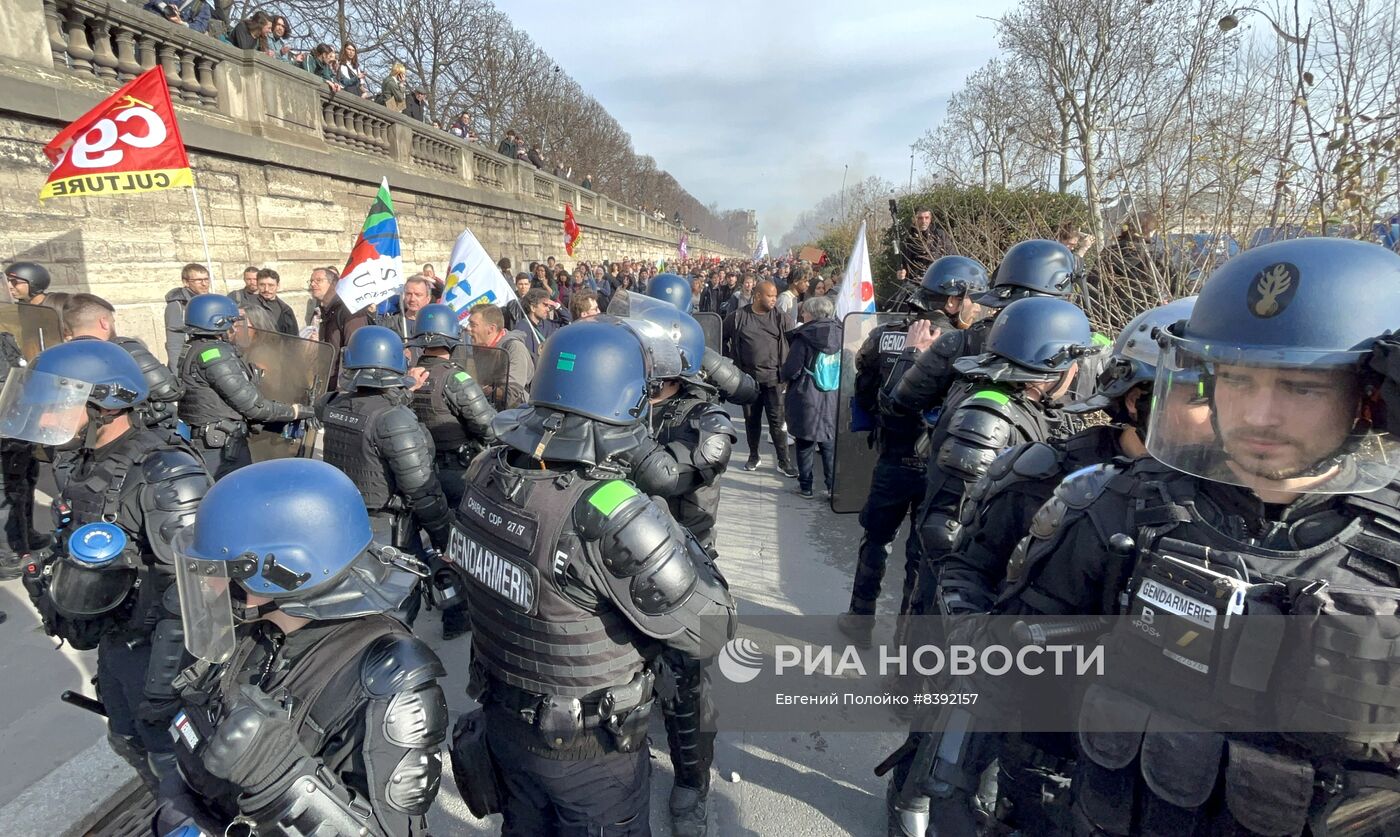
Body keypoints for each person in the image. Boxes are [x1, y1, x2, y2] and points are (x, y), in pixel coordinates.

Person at [909, 238, 1400, 837]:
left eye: (1301, 387)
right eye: (1237, 379)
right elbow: (1007, 675)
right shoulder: (1118, 507)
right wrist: (955, 795)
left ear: (1370, 396)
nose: (1259, 415)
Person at [888, 297, 1203, 835]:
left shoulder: (1222, 513)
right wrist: (975, 641)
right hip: (1027, 725)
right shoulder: (1054, 473)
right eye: (1201, 394)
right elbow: (963, 561)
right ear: (1138, 397)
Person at [447, 320, 737, 836]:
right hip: (589, 752)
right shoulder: (606, 507)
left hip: (505, 723)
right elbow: (711, 628)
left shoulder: (487, 471)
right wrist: (667, 530)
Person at [156, 459, 447, 837]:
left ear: (282, 572)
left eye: (221, 571)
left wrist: (280, 774)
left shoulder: (390, 674)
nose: (210, 585)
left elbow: (390, 832)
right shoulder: (249, 627)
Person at [1, 340, 211, 791]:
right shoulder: (85, 462)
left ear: (106, 406)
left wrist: (163, 686)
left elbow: (195, 590)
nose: (46, 419)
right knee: (126, 739)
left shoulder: (165, 473)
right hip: (117, 642)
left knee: (177, 767)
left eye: (59, 407)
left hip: (162, 654)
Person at [837, 257, 991, 636]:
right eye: (974, 300)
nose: (978, 308)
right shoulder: (967, 346)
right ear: (953, 301)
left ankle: (859, 619)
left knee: (876, 538)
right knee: (920, 556)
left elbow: (865, 391)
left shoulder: (884, 335)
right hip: (939, 467)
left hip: (892, 456)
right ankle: (905, 641)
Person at [883, 239, 1077, 422]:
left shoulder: (956, 341)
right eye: (973, 299)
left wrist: (911, 355)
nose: (977, 308)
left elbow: (896, 406)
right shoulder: (1073, 350)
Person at [318, 326, 452, 566]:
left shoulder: (330, 404)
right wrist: (445, 540)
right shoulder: (394, 419)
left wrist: (405, 391)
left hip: (341, 519)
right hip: (386, 535)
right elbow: (423, 493)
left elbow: (368, 404)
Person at [404, 305, 497, 639]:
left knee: (429, 543)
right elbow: (488, 426)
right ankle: (458, 615)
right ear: (452, 340)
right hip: (456, 473)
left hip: (416, 473)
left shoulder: (408, 377)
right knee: (460, 546)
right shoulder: (456, 378)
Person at [176, 294, 307, 478]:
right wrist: (294, 411)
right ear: (219, 323)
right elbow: (254, 407)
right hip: (222, 448)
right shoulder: (215, 355)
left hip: (208, 440)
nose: (235, 329)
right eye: (233, 323)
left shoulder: (194, 347)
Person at [63, 293, 184, 431]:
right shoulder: (124, 349)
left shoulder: (60, 359)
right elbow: (169, 391)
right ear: (104, 322)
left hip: (80, 433)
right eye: (113, 321)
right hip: (133, 433)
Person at [723, 280, 796, 476]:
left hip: (774, 380)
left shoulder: (781, 318)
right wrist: (729, 361)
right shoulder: (738, 317)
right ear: (757, 296)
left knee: (777, 422)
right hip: (749, 381)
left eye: (775, 296)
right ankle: (753, 456)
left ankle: (784, 462)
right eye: (770, 296)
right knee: (751, 420)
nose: (774, 299)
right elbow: (721, 335)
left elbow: (795, 343)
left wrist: (789, 372)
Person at [782, 296, 841, 498]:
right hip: (832, 394)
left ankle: (806, 486)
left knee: (805, 442)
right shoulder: (841, 333)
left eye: (805, 311)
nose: (803, 315)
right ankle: (832, 487)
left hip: (807, 393)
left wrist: (782, 377)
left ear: (813, 314)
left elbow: (792, 369)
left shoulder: (805, 336)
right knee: (828, 442)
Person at [311, 265, 371, 390]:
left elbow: (355, 348)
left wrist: (344, 387)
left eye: (318, 280)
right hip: (325, 382)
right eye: (311, 281)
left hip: (341, 387)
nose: (312, 284)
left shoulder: (349, 311)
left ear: (334, 284)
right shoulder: (325, 311)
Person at [466, 303, 532, 408]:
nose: (468, 329)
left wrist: (478, 389)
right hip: (484, 407)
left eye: (473, 325)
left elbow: (512, 394)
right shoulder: (477, 346)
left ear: (491, 329)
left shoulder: (514, 348)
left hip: (514, 413)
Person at [163, 262, 210, 369]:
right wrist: (177, 372)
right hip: (189, 363)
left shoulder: (210, 302)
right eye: (199, 280)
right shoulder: (177, 306)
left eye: (206, 279)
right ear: (186, 282)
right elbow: (175, 343)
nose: (204, 284)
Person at [511, 288, 567, 357]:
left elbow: (567, 322)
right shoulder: (521, 329)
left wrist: (556, 305)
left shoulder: (548, 324)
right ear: (533, 308)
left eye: (548, 306)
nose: (548, 309)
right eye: (545, 305)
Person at [379, 274, 434, 340]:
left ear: (428, 299)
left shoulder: (434, 322)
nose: (412, 299)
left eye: (418, 295)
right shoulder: (392, 323)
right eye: (408, 294)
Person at [252, 268, 298, 335]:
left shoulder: (286, 310)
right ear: (257, 285)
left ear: (278, 286)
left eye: (271, 285)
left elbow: (293, 337)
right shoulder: (249, 305)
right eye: (262, 285)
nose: (266, 289)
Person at [142, 0, 212, 33]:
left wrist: (180, 22)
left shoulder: (203, 6)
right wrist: (165, 7)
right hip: (151, 22)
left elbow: (201, 27)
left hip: (172, 34)